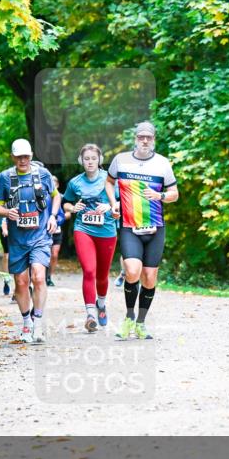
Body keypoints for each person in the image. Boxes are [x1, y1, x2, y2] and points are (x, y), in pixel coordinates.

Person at [105, 121, 178, 340]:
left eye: (149, 137)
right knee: (132, 270)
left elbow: (175, 192)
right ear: (135, 138)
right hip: (129, 225)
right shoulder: (121, 160)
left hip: (155, 228)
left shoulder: (163, 163)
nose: (145, 140)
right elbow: (109, 182)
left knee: (149, 278)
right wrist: (113, 203)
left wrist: (161, 196)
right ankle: (128, 318)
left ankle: (140, 323)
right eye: (141, 137)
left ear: (154, 139)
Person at [0, 138, 60, 343]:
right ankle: (26, 323)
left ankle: (38, 321)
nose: (23, 160)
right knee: (21, 282)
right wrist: (7, 212)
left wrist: (52, 216)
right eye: (19, 156)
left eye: (26, 156)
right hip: (17, 239)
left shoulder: (43, 174)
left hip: (40, 235)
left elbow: (56, 196)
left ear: (31, 156)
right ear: (13, 157)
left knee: (39, 277)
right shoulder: (4, 178)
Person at [63, 143, 117, 333]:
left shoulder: (109, 180)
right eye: (87, 159)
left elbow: (120, 203)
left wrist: (110, 207)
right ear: (81, 161)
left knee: (102, 275)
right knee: (89, 270)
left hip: (107, 231)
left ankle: (101, 304)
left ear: (100, 160)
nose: (90, 162)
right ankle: (90, 314)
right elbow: (66, 204)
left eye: (94, 159)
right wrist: (72, 208)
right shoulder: (75, 182)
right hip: (83, 229)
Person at [47, 175, 67, 286]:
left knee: (54, 255)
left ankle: (49, 276)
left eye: (55, 182)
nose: (53, 184)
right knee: (46, 255)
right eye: (51, 182)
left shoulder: (62, 197)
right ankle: (44, 275)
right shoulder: (43, 196)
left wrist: (57, 219)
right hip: (45, 231)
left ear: (58, 185)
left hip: (57, 230)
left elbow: (67, 213)